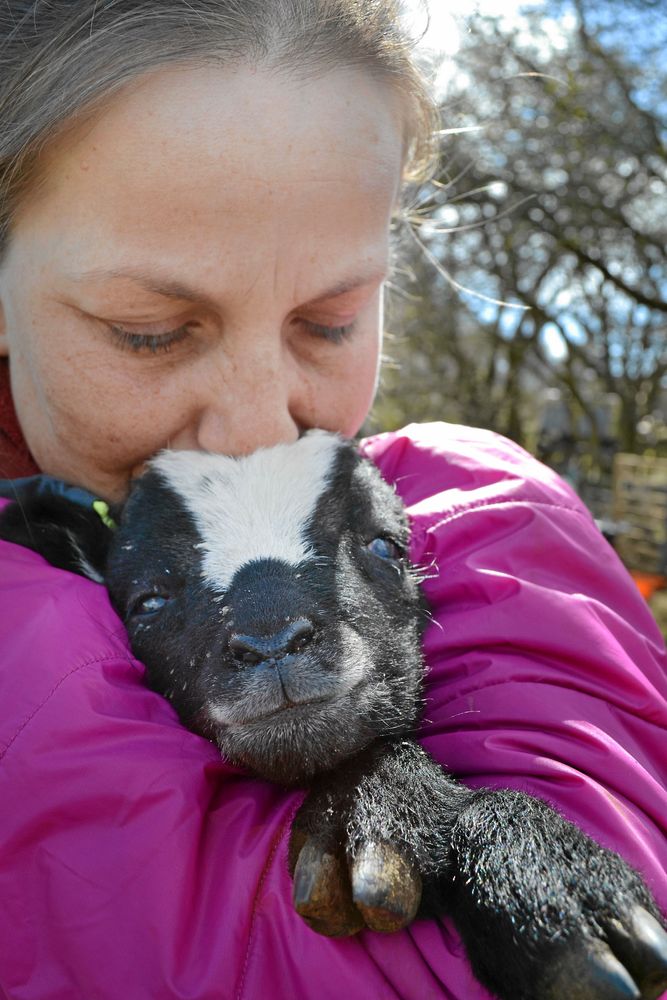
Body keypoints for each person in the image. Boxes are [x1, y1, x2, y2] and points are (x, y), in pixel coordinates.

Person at [0, 3, 665, 998]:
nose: (260, 429)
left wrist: (413, 793)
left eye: (329, 318)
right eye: (147, 331)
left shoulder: (473, 520)